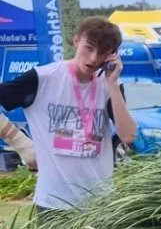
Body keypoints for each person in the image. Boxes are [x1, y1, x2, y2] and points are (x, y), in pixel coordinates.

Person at [0, 16, 138, 212]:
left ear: (112, 55)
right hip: (53, 205)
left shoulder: (109, 86)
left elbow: (128, 135)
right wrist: (20, 144)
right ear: (76, 40)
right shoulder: (43, 78)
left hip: (99, 204)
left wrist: (113, 85)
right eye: (89, 48)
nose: (93, 59)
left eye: (103, 53)